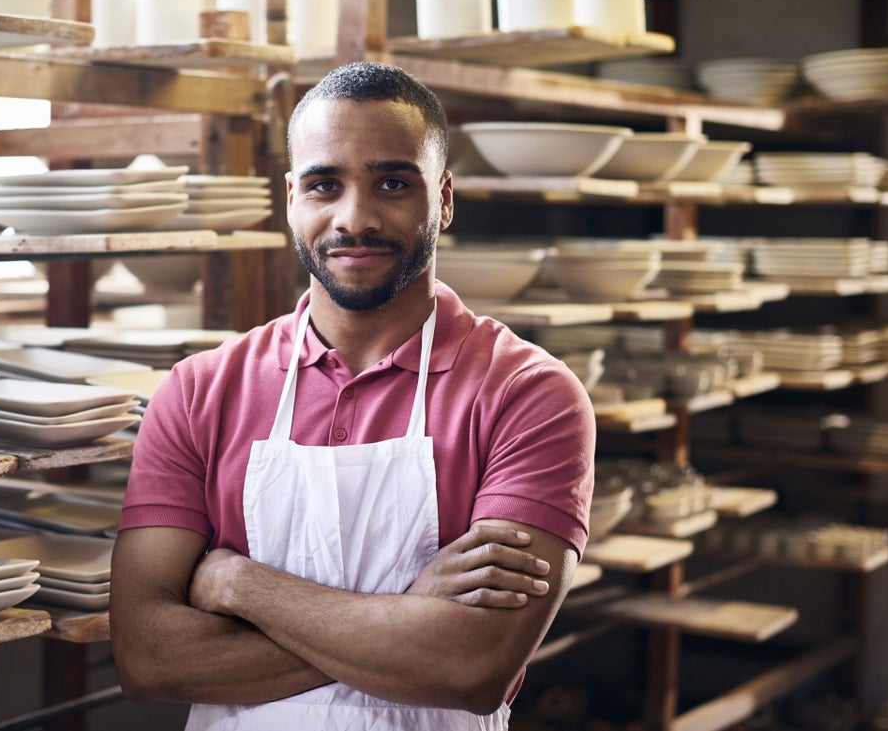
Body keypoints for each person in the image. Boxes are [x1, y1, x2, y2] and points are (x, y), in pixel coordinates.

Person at [110, 61, 596, 731]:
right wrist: (406, 611)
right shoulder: (201, 390)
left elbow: (470, 668)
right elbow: (147, 658)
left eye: (392, 182)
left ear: (445, 199)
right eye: (324, 185)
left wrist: (238, 584)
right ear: (290, 199)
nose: (355, 217)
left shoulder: (528, 394)